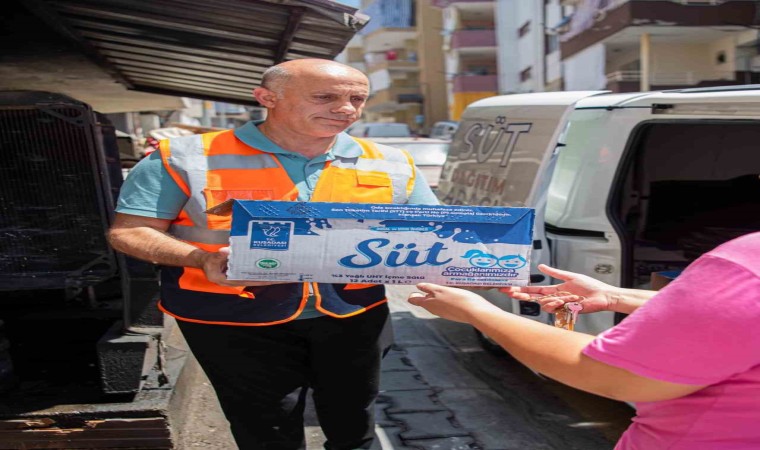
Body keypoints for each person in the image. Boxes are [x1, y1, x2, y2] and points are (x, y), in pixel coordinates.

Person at [108, 59, 438, 450]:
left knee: (354, 423)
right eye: (325, 97)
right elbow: (129, 232)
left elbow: (434, 232)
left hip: (352, 314)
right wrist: (202, 259)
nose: (346, 109)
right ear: (267, 98)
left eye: (357, 99)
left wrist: (474, 267)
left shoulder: (392, 162)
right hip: (231, 318)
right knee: (266, 432)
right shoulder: (184, 157)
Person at [408, 231, 760, 449]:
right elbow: (733, 318)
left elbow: (611, 373)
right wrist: (614, 296)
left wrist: (478, 312)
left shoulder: (746, 261)